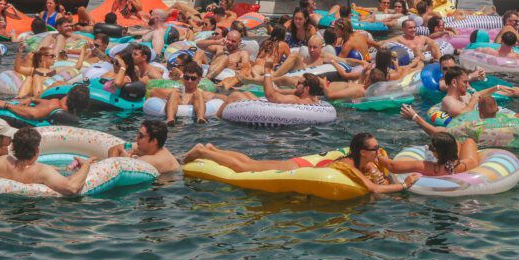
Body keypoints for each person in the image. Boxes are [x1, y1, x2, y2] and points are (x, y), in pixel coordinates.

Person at [183, 132, 420, 195]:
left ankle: (213, 149)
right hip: (298, 169)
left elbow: (389, 169)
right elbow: (373, 189)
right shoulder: (348, 166)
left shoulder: (366, 159)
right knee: (245, 167)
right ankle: (203, 152)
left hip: (302, 164)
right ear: (361, 151)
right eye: (374, 149)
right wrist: (404, 185)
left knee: (251, 162)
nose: (378, 150)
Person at [0, 126, 96, 195]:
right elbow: (71, 188)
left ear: (13, 147)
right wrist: (86, 165)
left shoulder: (1, 163)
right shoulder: (42, 171)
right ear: (37, 150)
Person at [0, 83, 90, 125]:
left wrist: (7, 105)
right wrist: (32, 99)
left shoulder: (56, 103)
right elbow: (46, 105)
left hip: (13, 114)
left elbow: (34, 114)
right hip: (25, 112)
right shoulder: (64, 109)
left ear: (69, 94)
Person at [146, 61, 221, 125]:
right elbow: (153, 92)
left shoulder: (204, 94)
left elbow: (223, 99)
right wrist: (168, 96)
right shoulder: (176, 91)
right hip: (177, 126)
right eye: (187, 77)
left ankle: (200, 118)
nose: (189, 81)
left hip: (194, 127)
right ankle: (170, 119)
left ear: (199, 79)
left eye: (193, 78)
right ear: (183, 77)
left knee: (198, 94)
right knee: (175, 93)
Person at [379, 131, 480, 178]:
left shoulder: (430, 167)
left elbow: (392, 166)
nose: (429, 148)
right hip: (463, 164)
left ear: (437, 151)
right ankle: (454, 144)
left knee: (465, 142)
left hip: (441, 167)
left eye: (431, 147)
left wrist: (378, 155)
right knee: (469, 141)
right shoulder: (463, 165)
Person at [107, 119, 180, 173]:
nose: (137, 138)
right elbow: (114, 149)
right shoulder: (151, 147)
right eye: (138, 134)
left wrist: (125, 159)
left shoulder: (154, 160)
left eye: (141, 136)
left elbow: (126, 169)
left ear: (153, 141)